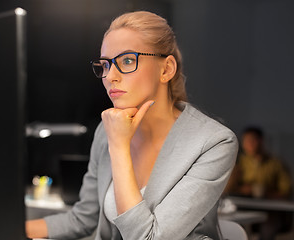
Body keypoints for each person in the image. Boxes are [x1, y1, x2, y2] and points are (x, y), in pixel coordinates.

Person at [26, 11, 238, 240]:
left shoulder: (214, 142)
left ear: (166, 69)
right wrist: (8, 227)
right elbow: (83, 218)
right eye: (105, 64)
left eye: (127, 60)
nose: (110, 76)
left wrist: (118, 147)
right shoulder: (105, 132)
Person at [225, 126, 292, 240]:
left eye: (252, 140)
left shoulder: (276, 164)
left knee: (268, 228)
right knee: (232, 227)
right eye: (245, 141)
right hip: (242, 207)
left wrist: (264, 192)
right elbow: (226, 190)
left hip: (270, 212)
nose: (248, 144)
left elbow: (287, 192)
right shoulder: (239, 162)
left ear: (261, 141)